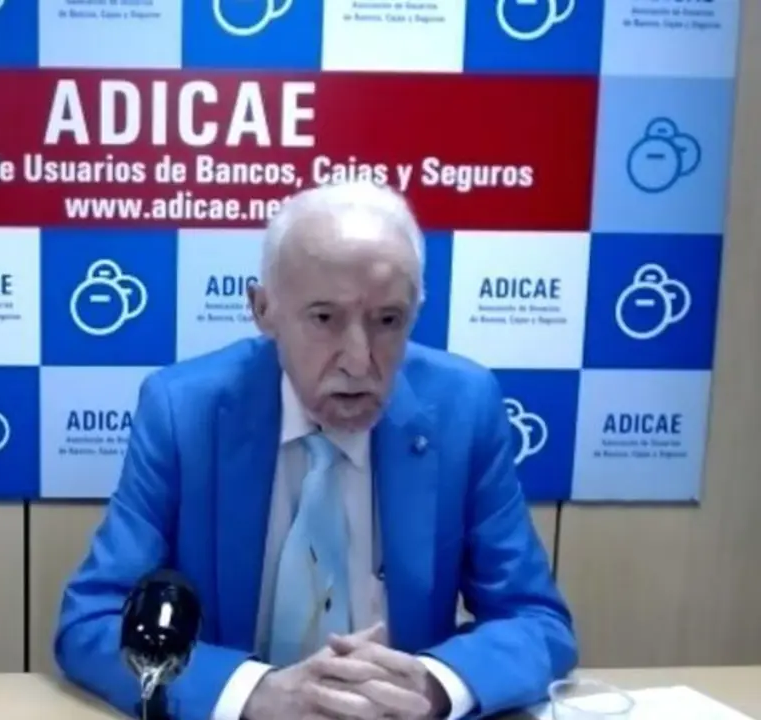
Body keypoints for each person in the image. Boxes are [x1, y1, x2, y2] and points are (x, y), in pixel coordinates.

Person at [54, 181, 577, 719]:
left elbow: (536, 621)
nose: (358, 360)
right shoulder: (184, 411)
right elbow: (93, 621)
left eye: (388, 320)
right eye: (325, 318)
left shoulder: (463, 407)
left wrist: (433, 686)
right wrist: (252, 694)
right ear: (264, 309)